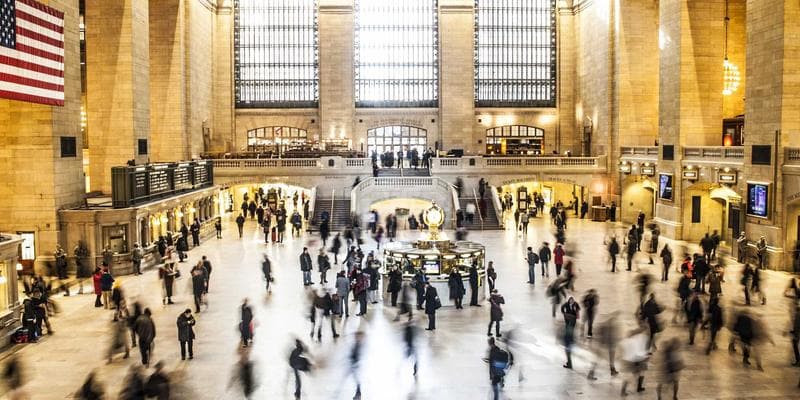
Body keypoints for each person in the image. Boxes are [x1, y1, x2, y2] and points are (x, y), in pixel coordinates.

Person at [620, 327, 649, 396]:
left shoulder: (626, 340)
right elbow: (639, 351)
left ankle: (634, 387)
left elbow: (622, 349)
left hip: (628, 360)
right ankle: (625, 391)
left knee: (633, 375)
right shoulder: (642, 338)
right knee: (634, 375)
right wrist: (646, 356)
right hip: (634, 360)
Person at [561, 296, 580, 368]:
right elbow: (562, 308)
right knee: (568, 327)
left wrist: (576, 311)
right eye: (570, 300)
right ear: (569, 300)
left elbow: (578, 309)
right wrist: (564, 313)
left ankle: (570, 364)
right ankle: (569, 363)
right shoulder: (566, 304)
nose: (571, 301)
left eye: (572, 300)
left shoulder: (575, 304)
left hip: (573, 318)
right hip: (568, 317)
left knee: (571, 328)